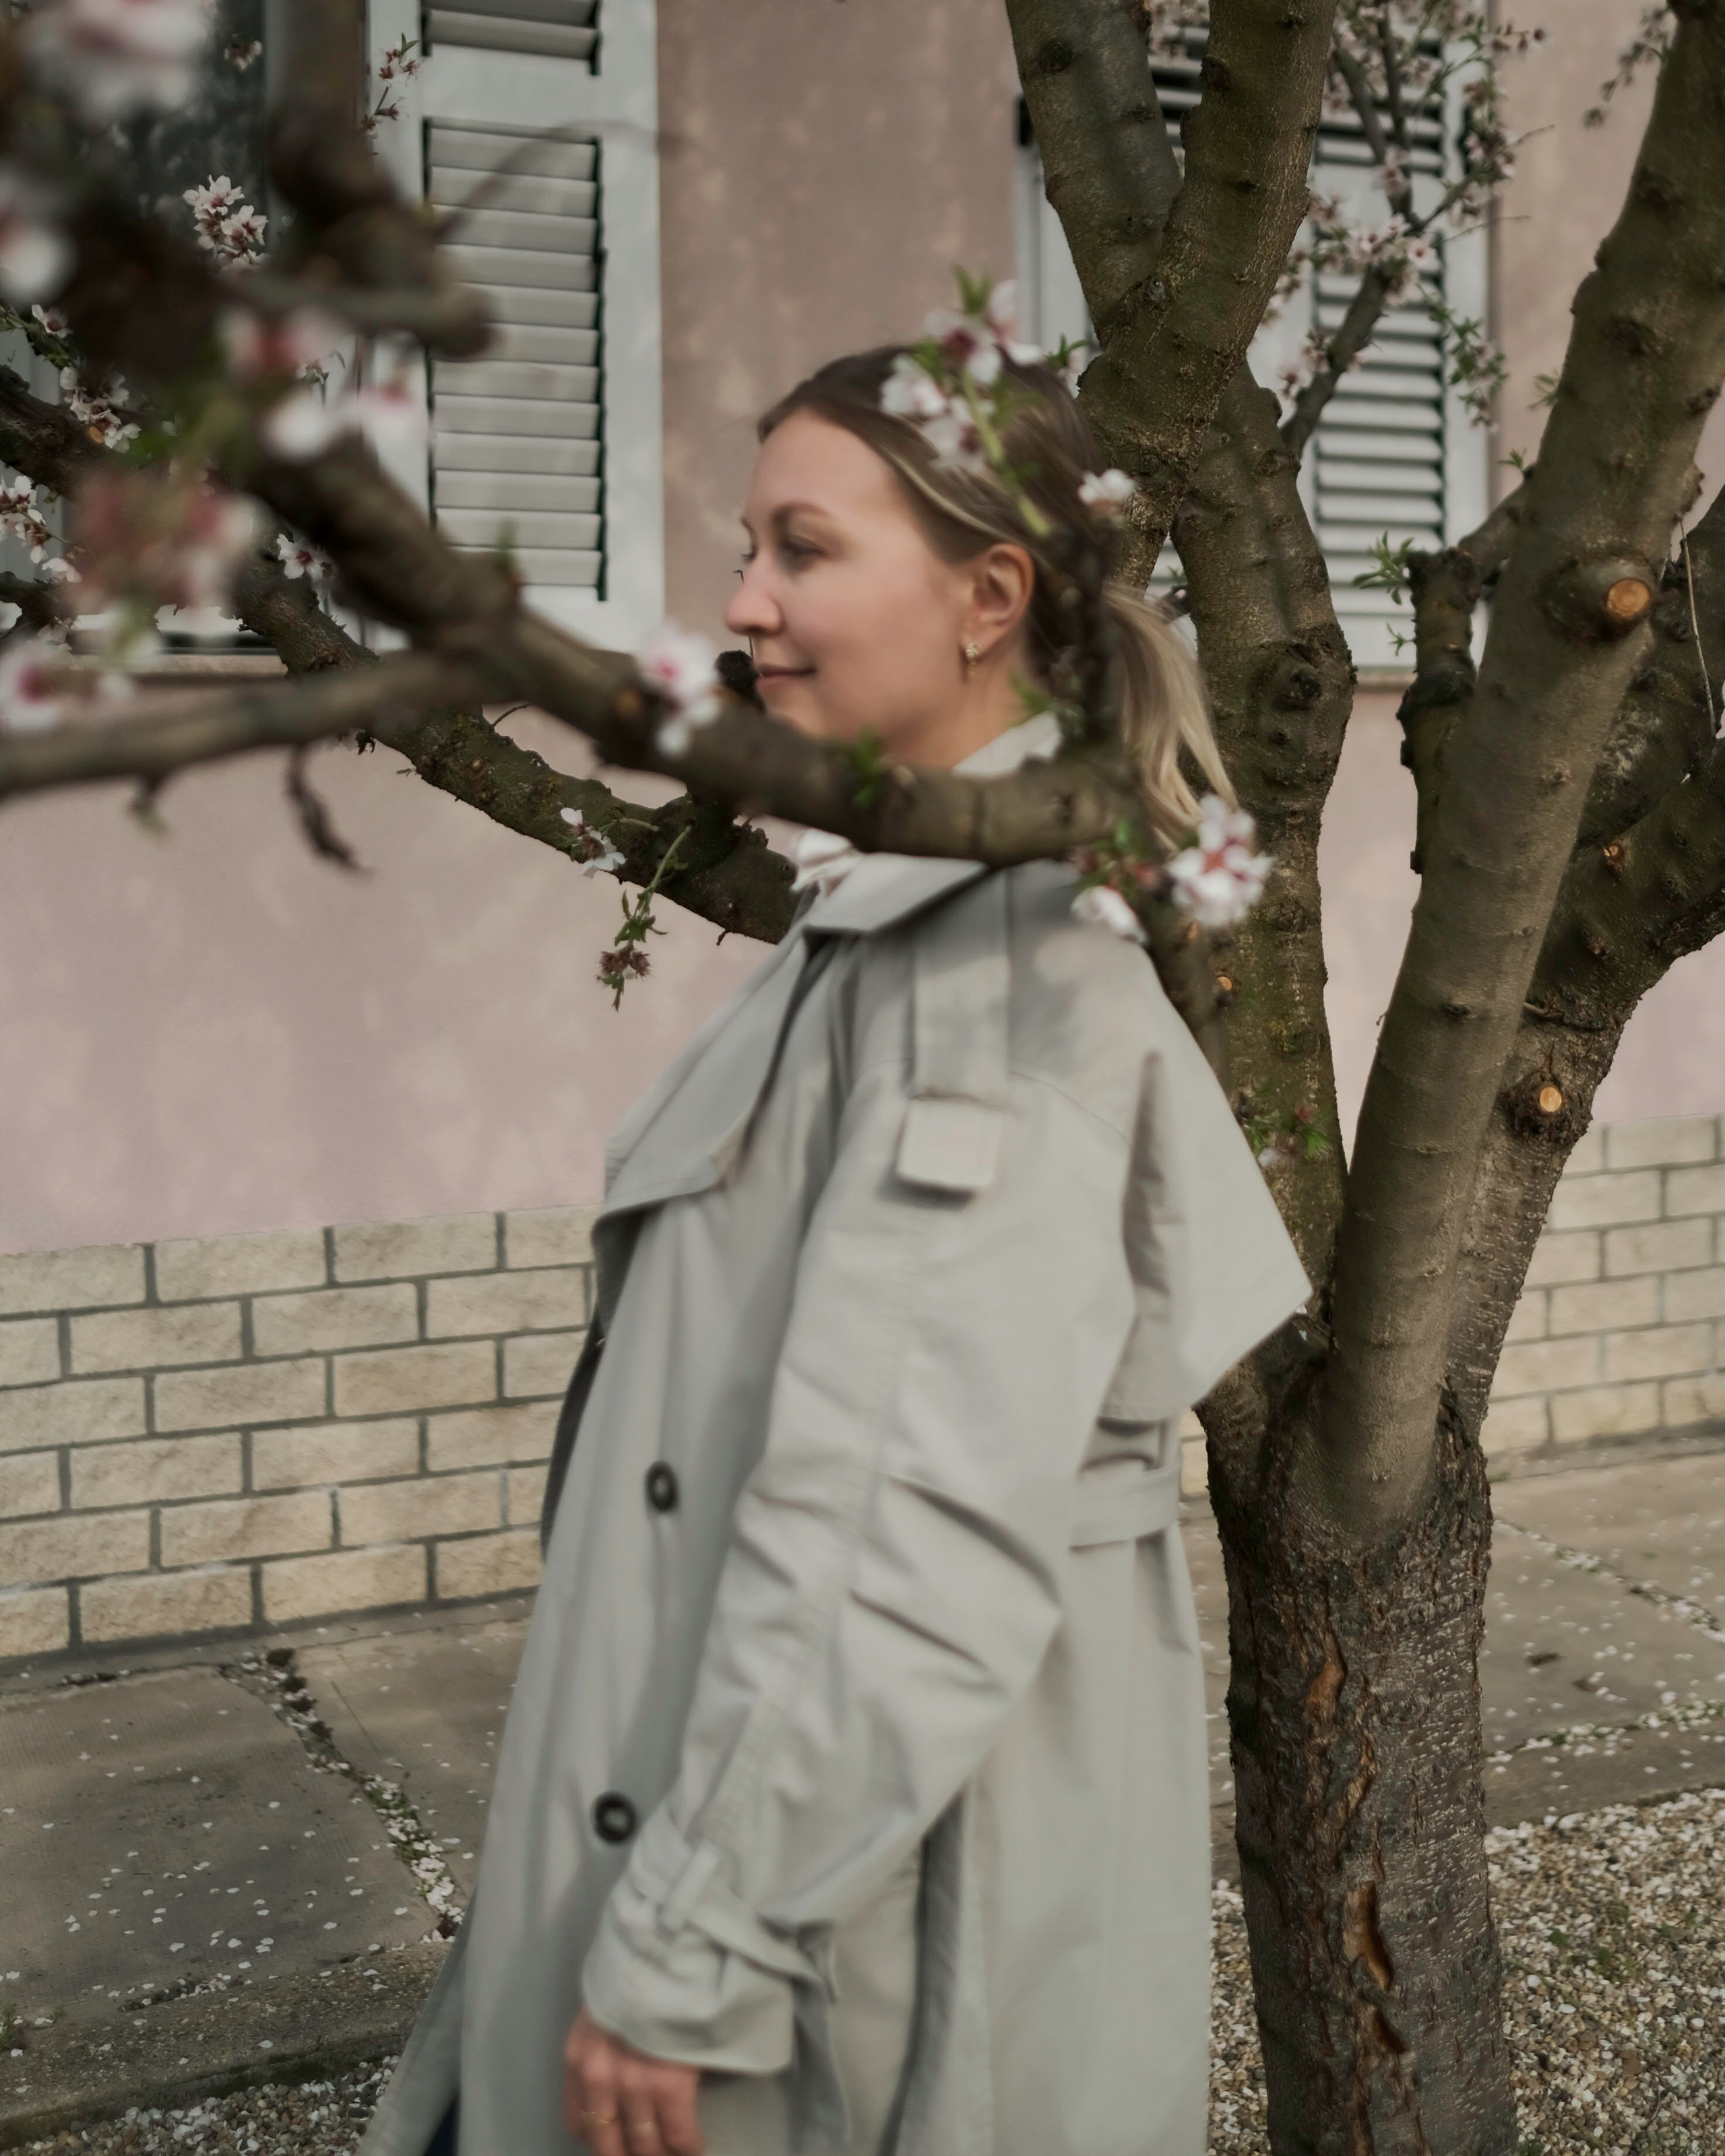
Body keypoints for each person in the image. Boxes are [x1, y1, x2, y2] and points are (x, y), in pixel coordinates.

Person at [360, 340, 1307, 2156]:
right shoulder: (885, 932)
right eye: (745, 549)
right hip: (773, 1891)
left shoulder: (996, 979)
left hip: (833, 1977)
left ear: (987, 598)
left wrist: (688, 1961)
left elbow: (906, 1531)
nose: (742, 605)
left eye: (801, 548)